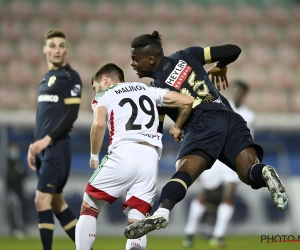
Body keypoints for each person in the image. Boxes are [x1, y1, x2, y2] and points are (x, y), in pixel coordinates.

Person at [124, 31, 288, 239]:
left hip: (202, 124)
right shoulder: (187, 55)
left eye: (134, 59)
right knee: (250, 174)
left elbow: (156, 130)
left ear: (151, 59)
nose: (132, 64)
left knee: (183, 172)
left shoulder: (156, 90)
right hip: (229, 117)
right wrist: (222, 65)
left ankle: (162, 212)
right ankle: (265, 171)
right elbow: (234, 50)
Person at [74, 63, 193, 250]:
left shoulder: (106, 94)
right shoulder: (148, 90)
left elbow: (98, 125)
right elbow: (186, 101)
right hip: (151, 157)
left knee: (89, 207)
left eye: (96, 86)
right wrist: (177, 126)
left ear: (104, 79)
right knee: (137, 219)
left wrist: (94, 155)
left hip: (124, 150)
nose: (97, 91)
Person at [27, 28, 82, 250]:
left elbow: (71, 115)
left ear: (66, 50)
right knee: (58, 205)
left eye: (61, 46)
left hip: (57, 148)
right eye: (52, 45)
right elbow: (44, 118)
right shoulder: (46, 78)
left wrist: (46, 141)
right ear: (45, 49)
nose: (56, 50)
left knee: (41, 200)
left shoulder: (70, 77)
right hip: (43, 149)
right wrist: (35, 146)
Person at [182, 80, 255, 248]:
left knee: (228, 196)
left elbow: (248, 140)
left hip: (235, 160)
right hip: (217, 159)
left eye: (240, 92)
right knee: (206, 196)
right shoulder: (220, 108)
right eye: (235, 91)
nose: (237, 94)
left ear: (244, 95)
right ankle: (190, 231)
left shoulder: (250, 116)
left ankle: (218, 235)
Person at [5, 142, 28, 239]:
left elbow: (25, 174)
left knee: (23, 205)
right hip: (10, 191)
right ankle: (16, 227)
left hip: (20, 191)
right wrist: (16, 174)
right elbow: (9, 177)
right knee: (16, 204)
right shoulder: (7, 163)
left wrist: (19, 174)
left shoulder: (19, 162)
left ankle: (22, 226)